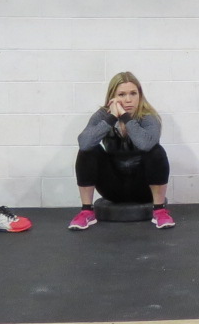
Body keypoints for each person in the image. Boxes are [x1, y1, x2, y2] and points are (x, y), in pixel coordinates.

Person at [69, 72, 174, 230]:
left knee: (156, 150)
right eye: (122, 95)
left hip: (143, 187)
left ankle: (159, 210)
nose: (128, 99)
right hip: (113, 187)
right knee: (88, 150)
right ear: (112, 97)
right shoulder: (102, 115)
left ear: (140, 95)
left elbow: (145, 144)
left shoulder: (148, 117)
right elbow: (84, 143)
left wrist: (125, 116)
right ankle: (86, 212)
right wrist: (112, 117)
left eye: (133, 93)